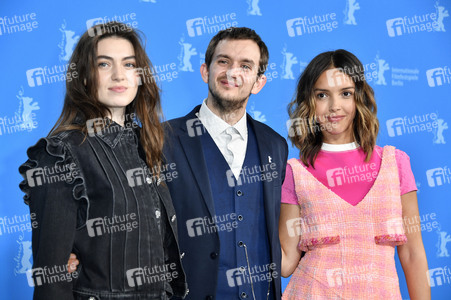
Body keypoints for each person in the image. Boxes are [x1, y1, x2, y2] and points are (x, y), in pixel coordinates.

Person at [19, 22, 187, 300]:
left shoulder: (147, 145)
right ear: (84, 76)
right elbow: (52, 279)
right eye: (104, 64)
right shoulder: (60, 153)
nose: (119, 75)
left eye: (129, 64)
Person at [279, 49, 430, 299]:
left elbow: (413, 253)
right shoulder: (295, 173)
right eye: (322, 95)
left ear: (358, 97)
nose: (334, 106)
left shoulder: (395, 164)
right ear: (309, 101)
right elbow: (286, 263)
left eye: (345, 93)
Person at [163, 27, 288, 299]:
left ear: (258, 82)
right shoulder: (162, 140)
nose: (232, 72)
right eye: (223, 61)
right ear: (205, 71)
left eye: (245, 65)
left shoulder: (275, 146)